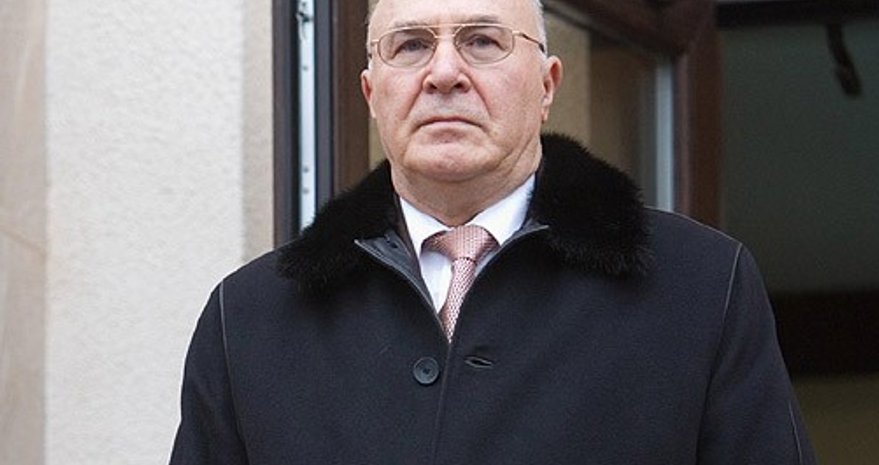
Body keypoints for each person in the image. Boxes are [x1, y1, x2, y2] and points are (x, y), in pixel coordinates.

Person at [169, 0, 817, 463]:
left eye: (482, 41)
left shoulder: (701, 287)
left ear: (546, 84)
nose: (443, 73)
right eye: (410, 45)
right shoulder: (247, 320)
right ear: (371, 93)